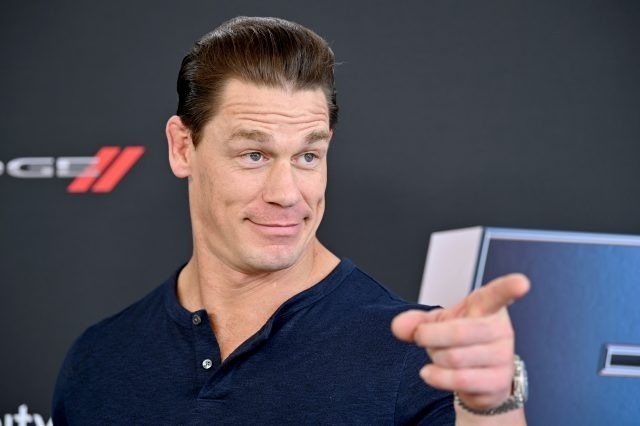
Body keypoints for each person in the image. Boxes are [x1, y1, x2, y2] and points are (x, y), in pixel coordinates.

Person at [52, 16, 529, 425]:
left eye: (307, 156)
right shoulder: (98, 359)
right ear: (182, 147)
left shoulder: (419, 357)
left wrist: (493, 406)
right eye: (254, 154)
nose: (286, 194)